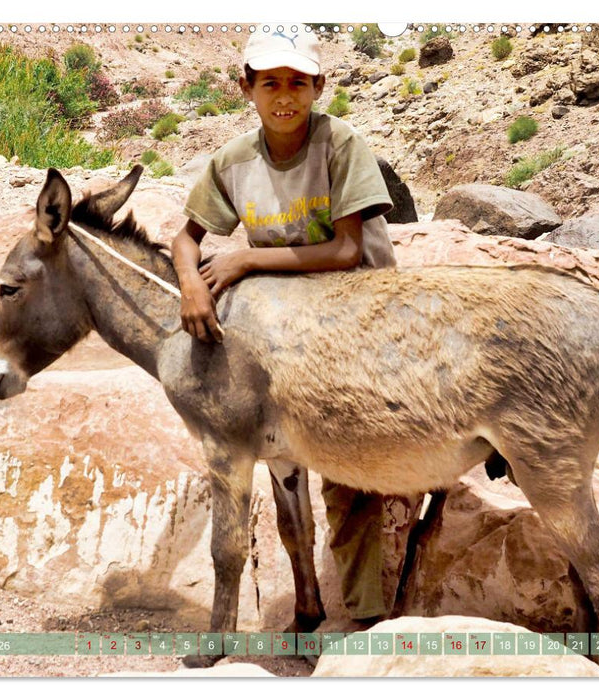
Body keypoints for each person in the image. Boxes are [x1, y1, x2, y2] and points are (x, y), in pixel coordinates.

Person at [171, 29, 395, 628]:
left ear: (319, 86)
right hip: (288, 329)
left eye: (299, 82)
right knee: (281, 462)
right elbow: (186, 237)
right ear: (246, 87)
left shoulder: (339, 144)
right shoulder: (234, 161)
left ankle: (367, 618)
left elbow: (348, 250)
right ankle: (306, 609)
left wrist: (243, 259)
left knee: (349, 471)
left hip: (358, 313)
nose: (285, 96)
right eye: (270, 82)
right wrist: (193, 284)